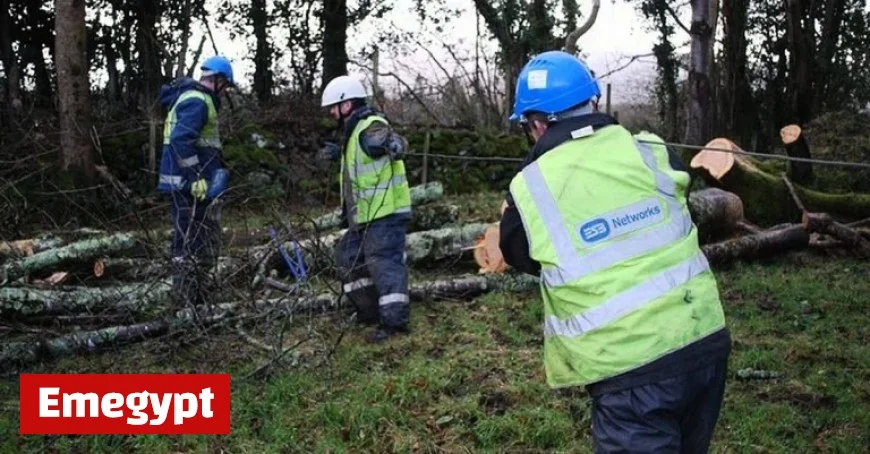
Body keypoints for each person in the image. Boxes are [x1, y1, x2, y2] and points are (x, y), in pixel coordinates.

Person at [498, 50, 731, 453]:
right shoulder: (651, 151)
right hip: (704, 340)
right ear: (592, 102)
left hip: (630, 368)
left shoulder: (531, 186)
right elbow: (677, 198)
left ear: (535, 125)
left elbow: (519, 252)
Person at [319, 74, 413, 343]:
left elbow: (383, 138)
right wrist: (339, 154)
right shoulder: (352, 134)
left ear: (346, 105)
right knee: (348, 257)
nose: (331, 113)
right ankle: (369, 311)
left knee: (384, 263)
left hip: (385, 213)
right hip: (365, 215)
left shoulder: (370, 125)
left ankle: (395, 323)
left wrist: (389, 143)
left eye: (333, 108)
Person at [157, 55, 235, 308]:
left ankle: (192, 294)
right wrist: (196, 178)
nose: (225, 93)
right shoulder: (198, 102)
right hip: (187, 184)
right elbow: (181, 141)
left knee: (190, 238)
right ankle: (187, 298)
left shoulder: (192, 97)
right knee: (190, 239)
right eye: (225, 86)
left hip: (184, 183)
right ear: (219, 80)